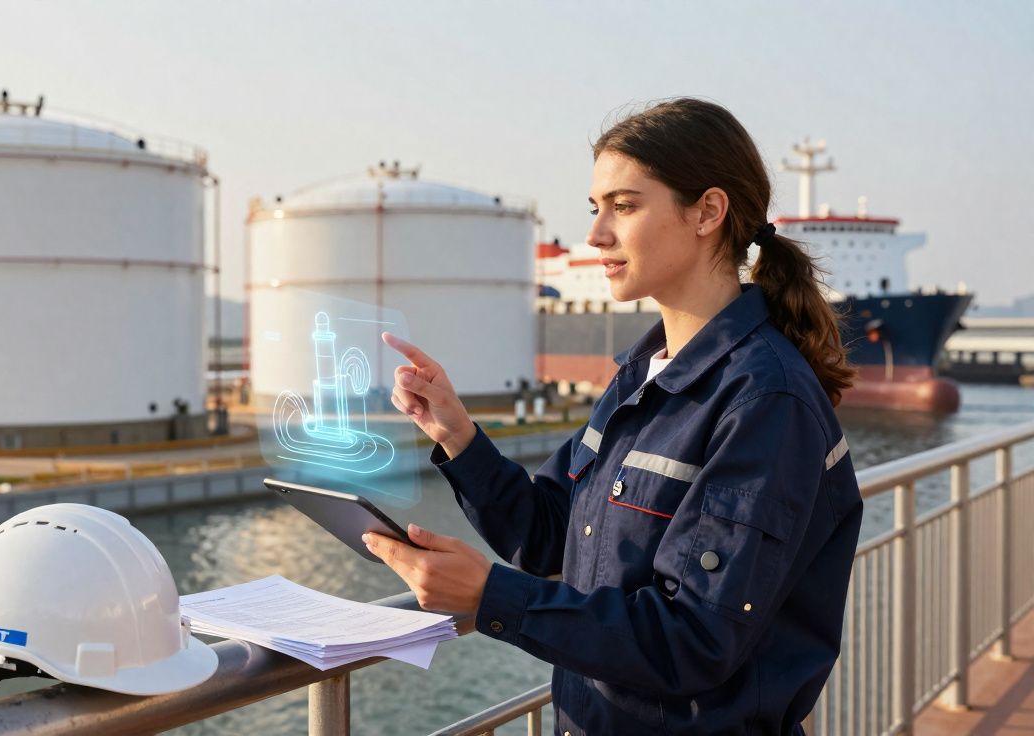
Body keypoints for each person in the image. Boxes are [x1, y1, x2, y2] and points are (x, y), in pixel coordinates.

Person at [363, 98, 863, 735]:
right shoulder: (642, 371)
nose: (597, 234)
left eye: (624, 206)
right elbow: (552, 537)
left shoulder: (766, 403)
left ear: (708, 211)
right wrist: (457, 436)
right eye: (595, 208)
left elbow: (692, 639)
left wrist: (492, 596)